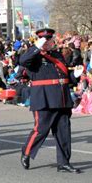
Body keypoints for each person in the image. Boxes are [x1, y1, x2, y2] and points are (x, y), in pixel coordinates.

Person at [19, 28, 83, 173]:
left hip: (61, 98)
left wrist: (75, 76)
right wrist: (35, 47)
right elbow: (22, 61)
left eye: (49, 39)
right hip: (44, 98)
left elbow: (63, 78)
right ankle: (26, 152)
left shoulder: (57, 55)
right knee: (41, 130)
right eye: (45, 40)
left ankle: (63, 162)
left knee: (63, 131)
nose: (48, 42)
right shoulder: (34, 57)